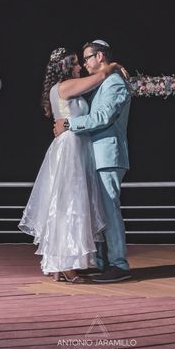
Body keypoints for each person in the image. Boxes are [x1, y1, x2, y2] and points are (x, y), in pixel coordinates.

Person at [19, 47, 125, 283]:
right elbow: (99, 77)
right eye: (76, 62)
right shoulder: (64, 87)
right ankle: (64, 264)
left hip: (77, 147)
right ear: (65, 67)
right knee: (68, 205)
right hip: (70, 148)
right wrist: (114, 66)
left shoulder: (70, 88)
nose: (79, 66)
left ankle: (61, 263)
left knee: (72, 205)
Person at [54, 40, 132, 283]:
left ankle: (119, 264)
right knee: (98, 211)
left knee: (109, 210)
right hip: (94, 155)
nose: (85, 63)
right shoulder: (103, 82)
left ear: (100, 57)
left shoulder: (115, 82)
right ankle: (102, 262)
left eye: (87, 58)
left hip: (108, 155)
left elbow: (103, 117)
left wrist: (69, 124)